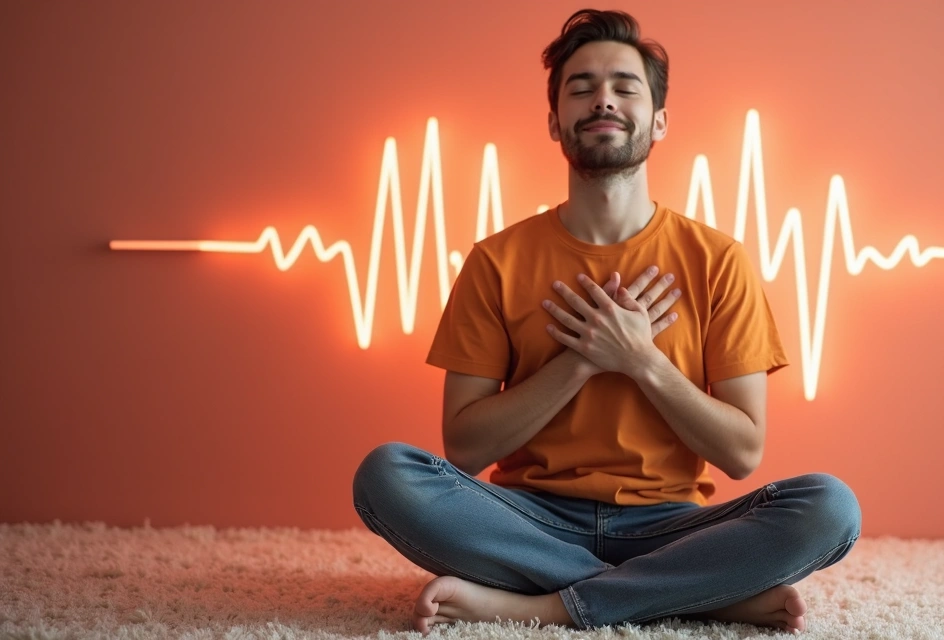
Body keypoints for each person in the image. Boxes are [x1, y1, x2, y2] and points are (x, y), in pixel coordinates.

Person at [352, 8, 861, 635]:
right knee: (386, 476)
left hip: (672, 526)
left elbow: (742, 452)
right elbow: (464, 448)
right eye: (582, 86)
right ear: (554, 121)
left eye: (625, 86)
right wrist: (584, 358)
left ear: (659, 119)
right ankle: (692, 593)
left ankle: (539, 605)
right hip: (528, 518)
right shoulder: (496, 261)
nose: (603, 100)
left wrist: (643, 360)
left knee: (830, 506)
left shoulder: (718, 260)